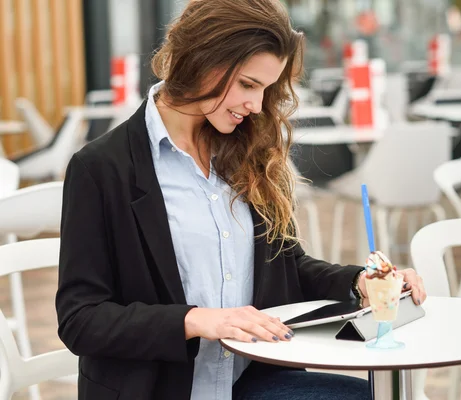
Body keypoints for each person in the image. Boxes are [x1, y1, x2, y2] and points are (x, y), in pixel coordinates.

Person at [55, 1, 427, 399]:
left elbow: (288, 268)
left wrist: (360, 283)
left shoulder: (251, 155)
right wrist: (196, 321)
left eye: (266, 88)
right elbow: (81, 318)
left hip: (250, 382)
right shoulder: (101, 168)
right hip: (158, 389)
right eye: (249, 85)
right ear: (201, 61)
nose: (257, 105)